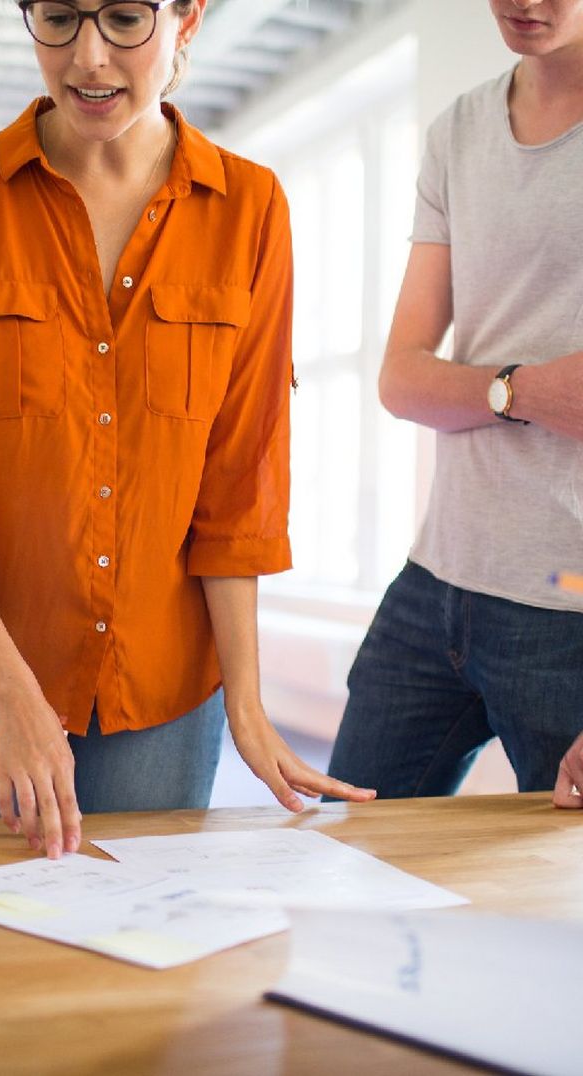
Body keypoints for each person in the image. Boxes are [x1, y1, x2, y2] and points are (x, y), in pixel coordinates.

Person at [0, 0, 376, 858]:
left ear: (187, 20)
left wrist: (248, 707)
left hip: (163, 695)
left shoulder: (250, 208)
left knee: (143, 966)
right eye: (61, 20)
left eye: (123, 20)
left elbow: (242, 486)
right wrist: (17, 701)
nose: (89, 58)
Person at [327, 0, 583, 806]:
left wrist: (477, 389)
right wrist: (523, 389)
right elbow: (402, 379)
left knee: (561, 916)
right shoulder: (458, 131)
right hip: (435, 584)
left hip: (568, 606)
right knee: (343, 858)